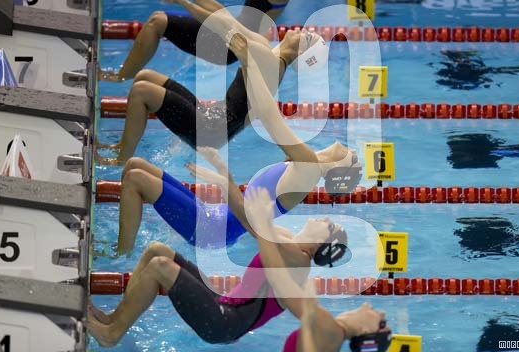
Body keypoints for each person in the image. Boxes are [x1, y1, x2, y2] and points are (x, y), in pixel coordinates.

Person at [97, 0, 330, 165]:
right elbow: (225, 16)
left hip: (209, 131)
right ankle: (120, 146)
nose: (303, 31)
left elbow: (223, 24)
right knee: (145, 76)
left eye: (307, 37)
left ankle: (121, 159)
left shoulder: (269, 61)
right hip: (212, 119)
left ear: (301, 54)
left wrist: (185, 2)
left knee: (142, 92)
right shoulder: (268, 53)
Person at [87, 186, 348, 347]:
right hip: (222, 303)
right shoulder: (289, 242)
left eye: (330, 225)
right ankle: (114, 319)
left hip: (223, 322)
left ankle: (111, 335)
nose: (325, 217)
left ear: (320, 243)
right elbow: (246, 217)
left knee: (160, 266)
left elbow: (257, 225)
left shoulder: (297, 261)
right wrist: (223, 174)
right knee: (157, 249)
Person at [101, 0, 335, 81]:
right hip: (229, 38)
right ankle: (121, 75)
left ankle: (119, 78)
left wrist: (187, 1)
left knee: (157, 21)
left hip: (227, 45)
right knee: (157, 20)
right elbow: (226, 16)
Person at [115, 142, 358, 252]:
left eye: (354, 159)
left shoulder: (307, 174)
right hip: (213, 215)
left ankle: (122, 254)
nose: (354, 151)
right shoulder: (308, 165)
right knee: (135, 164)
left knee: (136, 179)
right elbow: (325, 155)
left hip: (211, 229)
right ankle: (121, 244)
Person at [246, 187, 392, 352]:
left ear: (364, 331)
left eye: (382, 323)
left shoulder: (332, 331)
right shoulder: (333, 338)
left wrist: (263, 226)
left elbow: (278, 280)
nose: (380, 313)